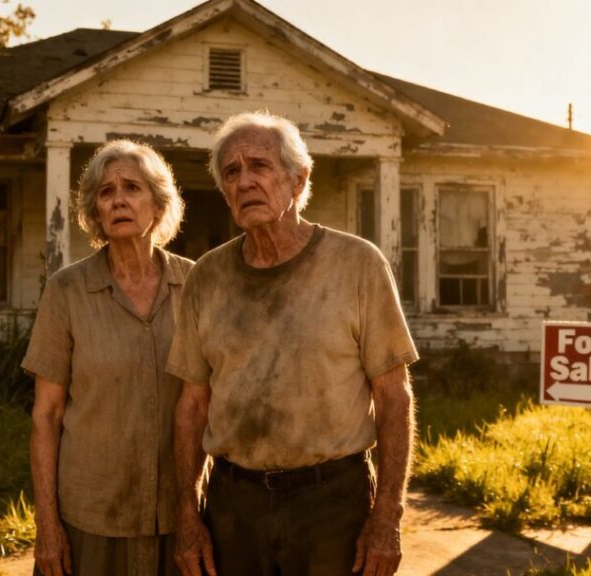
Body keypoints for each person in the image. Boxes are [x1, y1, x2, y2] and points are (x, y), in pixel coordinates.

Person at [167, 112, 418, 576]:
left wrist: (387, 516)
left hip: (332, 504)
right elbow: (192, 405)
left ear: (298, 179)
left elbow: (393, 397)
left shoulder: (358, 264)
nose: (245, 181)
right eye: (231, 172)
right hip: (233, 504)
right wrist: (186, 514)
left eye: (259, 166)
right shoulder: (206, 277)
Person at [23, 140, 192, 576]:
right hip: (91, 518)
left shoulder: (196, 285)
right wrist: (47, 526)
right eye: (105, 191)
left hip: (179, 515)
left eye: (132, 188)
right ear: (95, 212)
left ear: (158, 205)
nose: (118, 200)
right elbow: (47, 415)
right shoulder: (66, 291)